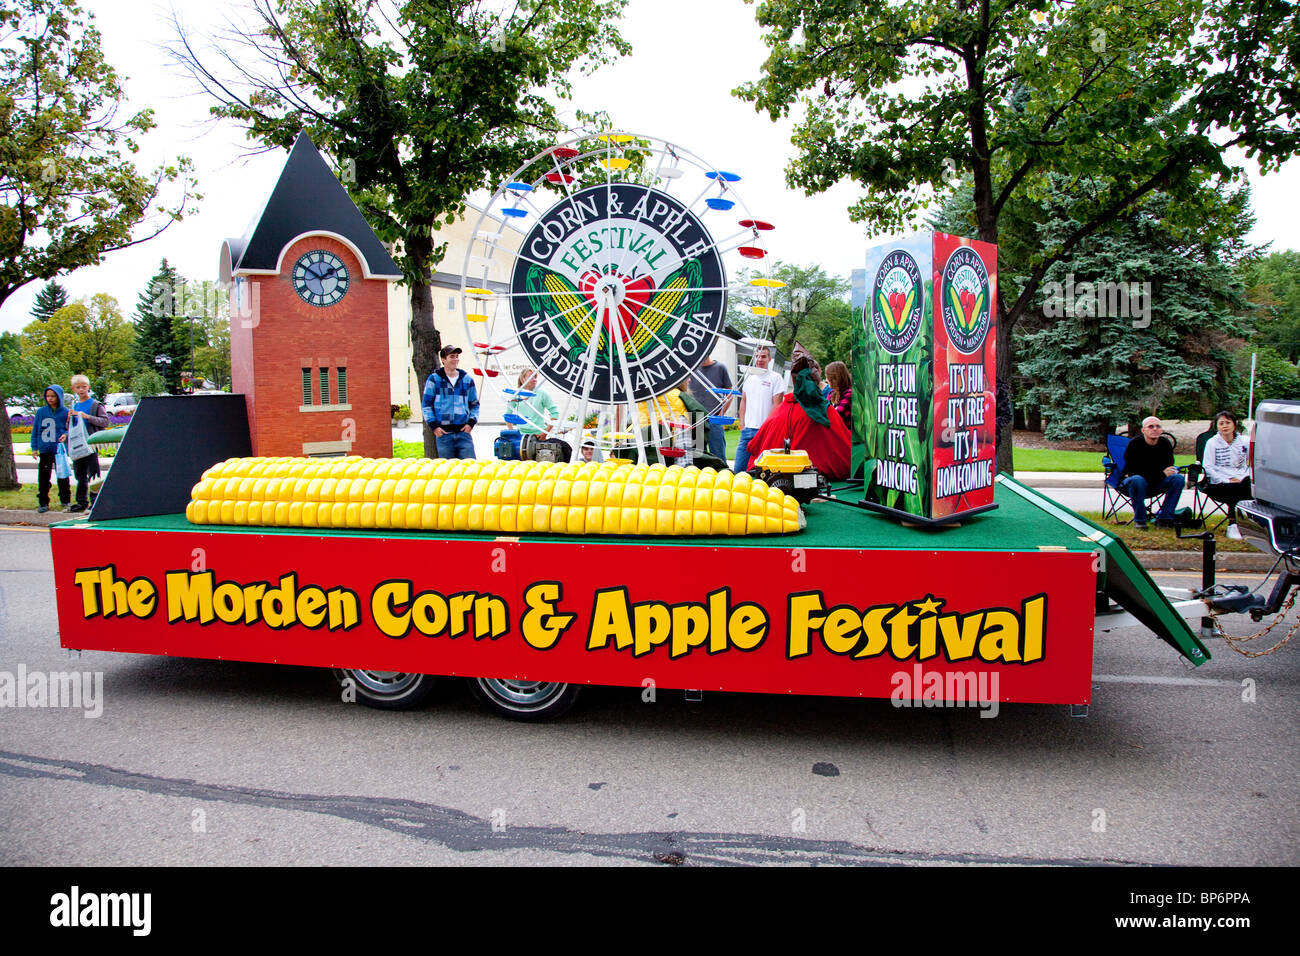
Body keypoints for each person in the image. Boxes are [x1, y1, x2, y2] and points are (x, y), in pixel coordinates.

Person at [745, 355, 851, 480]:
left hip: (776, 477)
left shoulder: (781, 410)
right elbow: (845, 453)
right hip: (809, 476)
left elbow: (754, 446)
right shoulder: (824, 411)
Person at [1120, 416, 1185, 529]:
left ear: (1161, 430)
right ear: (1143, 430)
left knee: (1178, 479)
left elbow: (1169, 469)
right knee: (1137, 480)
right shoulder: (1134, 444)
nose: (1154, 429)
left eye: (1157, 426)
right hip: (1135, 485)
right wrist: (1161, 473)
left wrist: (1152, 473)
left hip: (1156, 483)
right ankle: (1140, 520)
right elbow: (1133, 472)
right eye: (1150, 426)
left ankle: (1164, 519)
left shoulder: (1165, 444)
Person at [733, 345, 784, 474]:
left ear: (769, 359)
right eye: (757, 356)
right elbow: (743, 401)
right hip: (747, 431)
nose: (760, 359)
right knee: (739, 470)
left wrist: (766, 427)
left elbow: (777, 405)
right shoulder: (748, 376)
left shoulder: (775, 377)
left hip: (764, 431)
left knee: (762, 472)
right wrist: (742, 423)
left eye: (763, 356)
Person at [421, 345, 479, 459]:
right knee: (448, 471)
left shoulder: (467, 380)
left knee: (470, 468)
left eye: (457, 356)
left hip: (464, 433)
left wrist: (471, 423)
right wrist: (434, 427)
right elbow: (426, 405)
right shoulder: (434, 379)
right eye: (452, 356)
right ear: (443, 359)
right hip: (444, 434)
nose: (455, 359)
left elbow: (475, 404)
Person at [1202, 410, 1252, 540]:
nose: (1225, 426)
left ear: (1234, 425)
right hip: (1220, 483)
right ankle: (1233, 525)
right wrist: (1227, 480)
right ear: (1216, 426)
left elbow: (1251, 463)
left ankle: (1254, 523)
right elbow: (1208, 467)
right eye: (1221, 423)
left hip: (1242, 479)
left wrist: (1244, 477)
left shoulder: (1244, 441)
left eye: (1228, 423)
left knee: (1249, 486)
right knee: (1234, 490)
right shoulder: (1212, 443)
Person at [67, 374, 111, 512]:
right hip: (78, 444)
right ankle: (81, 502)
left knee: (93, 474)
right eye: (78, 387)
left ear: (88, 387)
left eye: (84, 387)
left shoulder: (95, 405)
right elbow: (71, 426)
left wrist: (88, 417)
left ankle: (95, 501)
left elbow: (104, 421)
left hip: (91, 444)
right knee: (80, 475)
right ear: (73, 389)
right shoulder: (74, 406)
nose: (81, 390)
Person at [31, 383, 71, 513]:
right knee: (43, 477)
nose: (50, 399)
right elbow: (36, 430)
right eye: (48, 396)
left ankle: (65, 500)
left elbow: (69, 428)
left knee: (62, 475)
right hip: (45, 448)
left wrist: (65, 435)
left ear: (59, 397)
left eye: (53, 396)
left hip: (58, 450)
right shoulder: (41, 412)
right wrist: (34, 447)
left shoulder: (65, 412)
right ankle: (43, 502)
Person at [687, 352, 734, 462]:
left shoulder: (720, 368)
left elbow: (730, 394)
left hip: (714, 419)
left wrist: (720, 414)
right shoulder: (691, 370)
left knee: (718, 456)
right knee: (698, 457)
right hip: (697, 419)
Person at [510, 367, 558, 436]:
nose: (535, 380)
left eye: (535, 377)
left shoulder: (542, 394)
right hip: (520, 434)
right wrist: (512, 433)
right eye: (531, 377)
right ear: (522, 379)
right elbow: (508, 413)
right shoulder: (516, 394)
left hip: (538, 434)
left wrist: (545, 433)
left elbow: (555, 414)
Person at [824, 361, 852, 431]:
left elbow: (836, 415)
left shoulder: (849, 394)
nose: (826, 380)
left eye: (828, 377)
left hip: (847, 436)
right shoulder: (832, 393)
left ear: (835, 379)